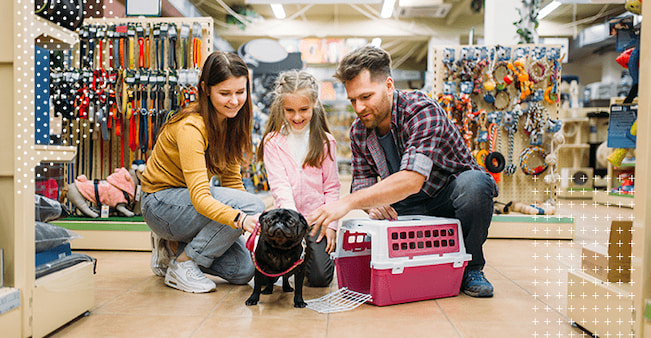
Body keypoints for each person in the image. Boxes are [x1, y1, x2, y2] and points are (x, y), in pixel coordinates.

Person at [307, 46, 498, 298]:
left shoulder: (421, 110)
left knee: (476, 184)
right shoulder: (359, 131)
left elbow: (411, 180)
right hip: (406, 207)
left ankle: (472, 266)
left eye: (366, 96)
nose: (359, 107)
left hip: (448, 196)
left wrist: (348, 202)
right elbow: (362, 183)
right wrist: (370, 205)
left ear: (388, 86)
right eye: (353, 100)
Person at [140, 51, 266, 293]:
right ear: (206, 89)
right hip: (159, 204)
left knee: (244, 270)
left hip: (185, 206)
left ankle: (173, 249)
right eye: (225, 93)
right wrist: (241, 218)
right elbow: (200, 197)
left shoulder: (231, 122)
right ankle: (184, 264)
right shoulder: (191, 127)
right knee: (253, 206)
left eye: (240, 92)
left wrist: (240, 231)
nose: (234, 101)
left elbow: (232, 183)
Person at [257, 70, 340, 287]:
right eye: (290, 110)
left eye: (304, 110)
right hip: (285, 222)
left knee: (320, 279)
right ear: (281, 108)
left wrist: (330, 225)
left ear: (314, 104)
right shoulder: (272, 142)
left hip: (316, 221)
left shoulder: (325, 142)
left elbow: (332, 187)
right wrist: (291, 227)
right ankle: (291, 259)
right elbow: (280, 187)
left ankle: (307, 257)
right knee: (265, 276)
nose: (297, 117)